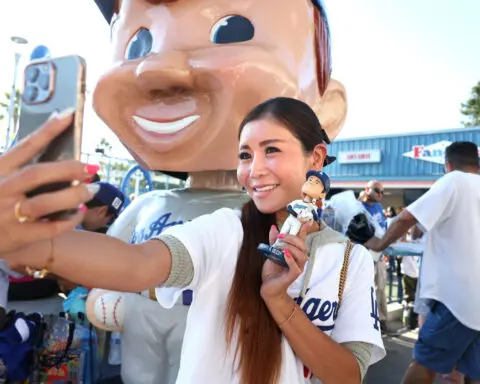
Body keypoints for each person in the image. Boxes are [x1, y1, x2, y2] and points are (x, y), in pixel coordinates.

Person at [4, 97, 385, 383]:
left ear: (315, 157)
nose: (254, 170)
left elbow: (347, 375)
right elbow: (137, 264)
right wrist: (35, 243)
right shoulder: (225, 229)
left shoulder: (352, 259)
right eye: (245, 155)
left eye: (271, 150)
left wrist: (278, 300)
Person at [87, 1, 349, 382]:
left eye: (231, 31)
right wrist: (108, 301)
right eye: (138, 45)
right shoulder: (148, 205)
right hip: (142, 356)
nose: (156, 67)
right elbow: (102, 273)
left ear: (326, 112)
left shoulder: (285, 220)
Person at [364, 141, 480, 384]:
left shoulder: (454, 180)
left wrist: (378, 244)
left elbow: (406, 219)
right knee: (472, 371)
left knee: (424, 363)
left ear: (448, 165)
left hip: (457, 300)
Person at [360, 180, 389, 332]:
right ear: (367, 189)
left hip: (379, 254)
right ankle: (368, 322)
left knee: (381, 288)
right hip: (364, 255)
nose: (380, 194)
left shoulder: (378, 207)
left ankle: (382, 321)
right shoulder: (358, 207)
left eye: (382, 192)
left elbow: (383, 228)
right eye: (377, 190)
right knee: (365, 290)